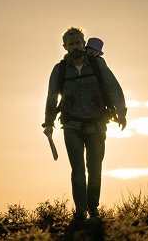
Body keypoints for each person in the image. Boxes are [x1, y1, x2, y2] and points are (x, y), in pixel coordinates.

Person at [42, 27, 127, 220]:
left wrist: (121, 113)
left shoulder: (97, 65)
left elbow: (114, 88)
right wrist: (48, 123)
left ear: (83, 43)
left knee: (95, 169)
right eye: (71, 44)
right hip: (71, 125)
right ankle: (81, 210)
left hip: (97, 124)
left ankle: (93, 208)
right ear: (65, 47)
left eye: (78, 43)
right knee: (78, 169)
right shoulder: (60, 69)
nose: (75, 47)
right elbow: (51, 97)